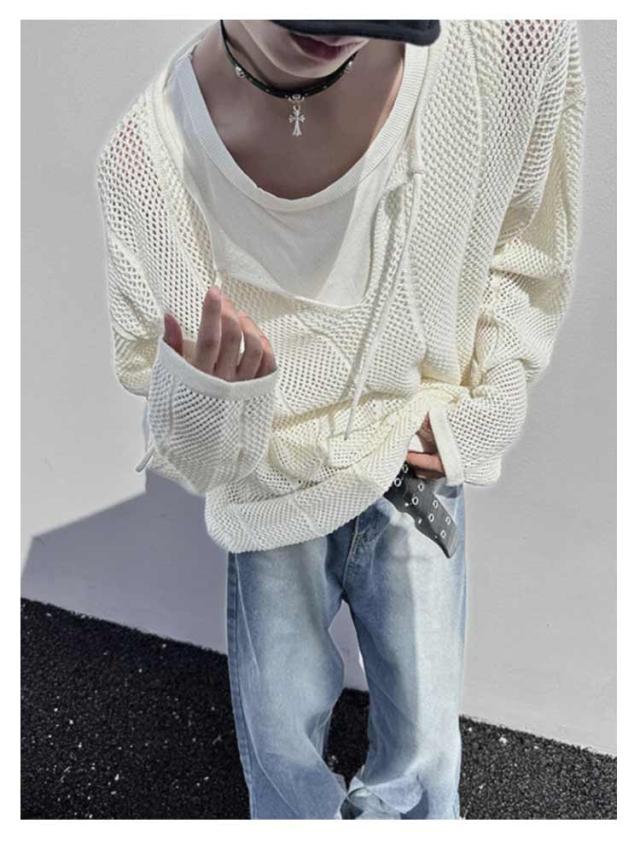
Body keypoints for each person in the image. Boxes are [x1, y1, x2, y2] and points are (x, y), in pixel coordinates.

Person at [95, 19, 587, 819]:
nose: (340, 25)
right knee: (280, 735)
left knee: (424, 750)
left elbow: (528, 247)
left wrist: (487, 411)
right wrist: (211, 399)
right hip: (268, 486)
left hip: (415, 462)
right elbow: (181, 437)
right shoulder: (146, 167)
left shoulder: (512, 41)